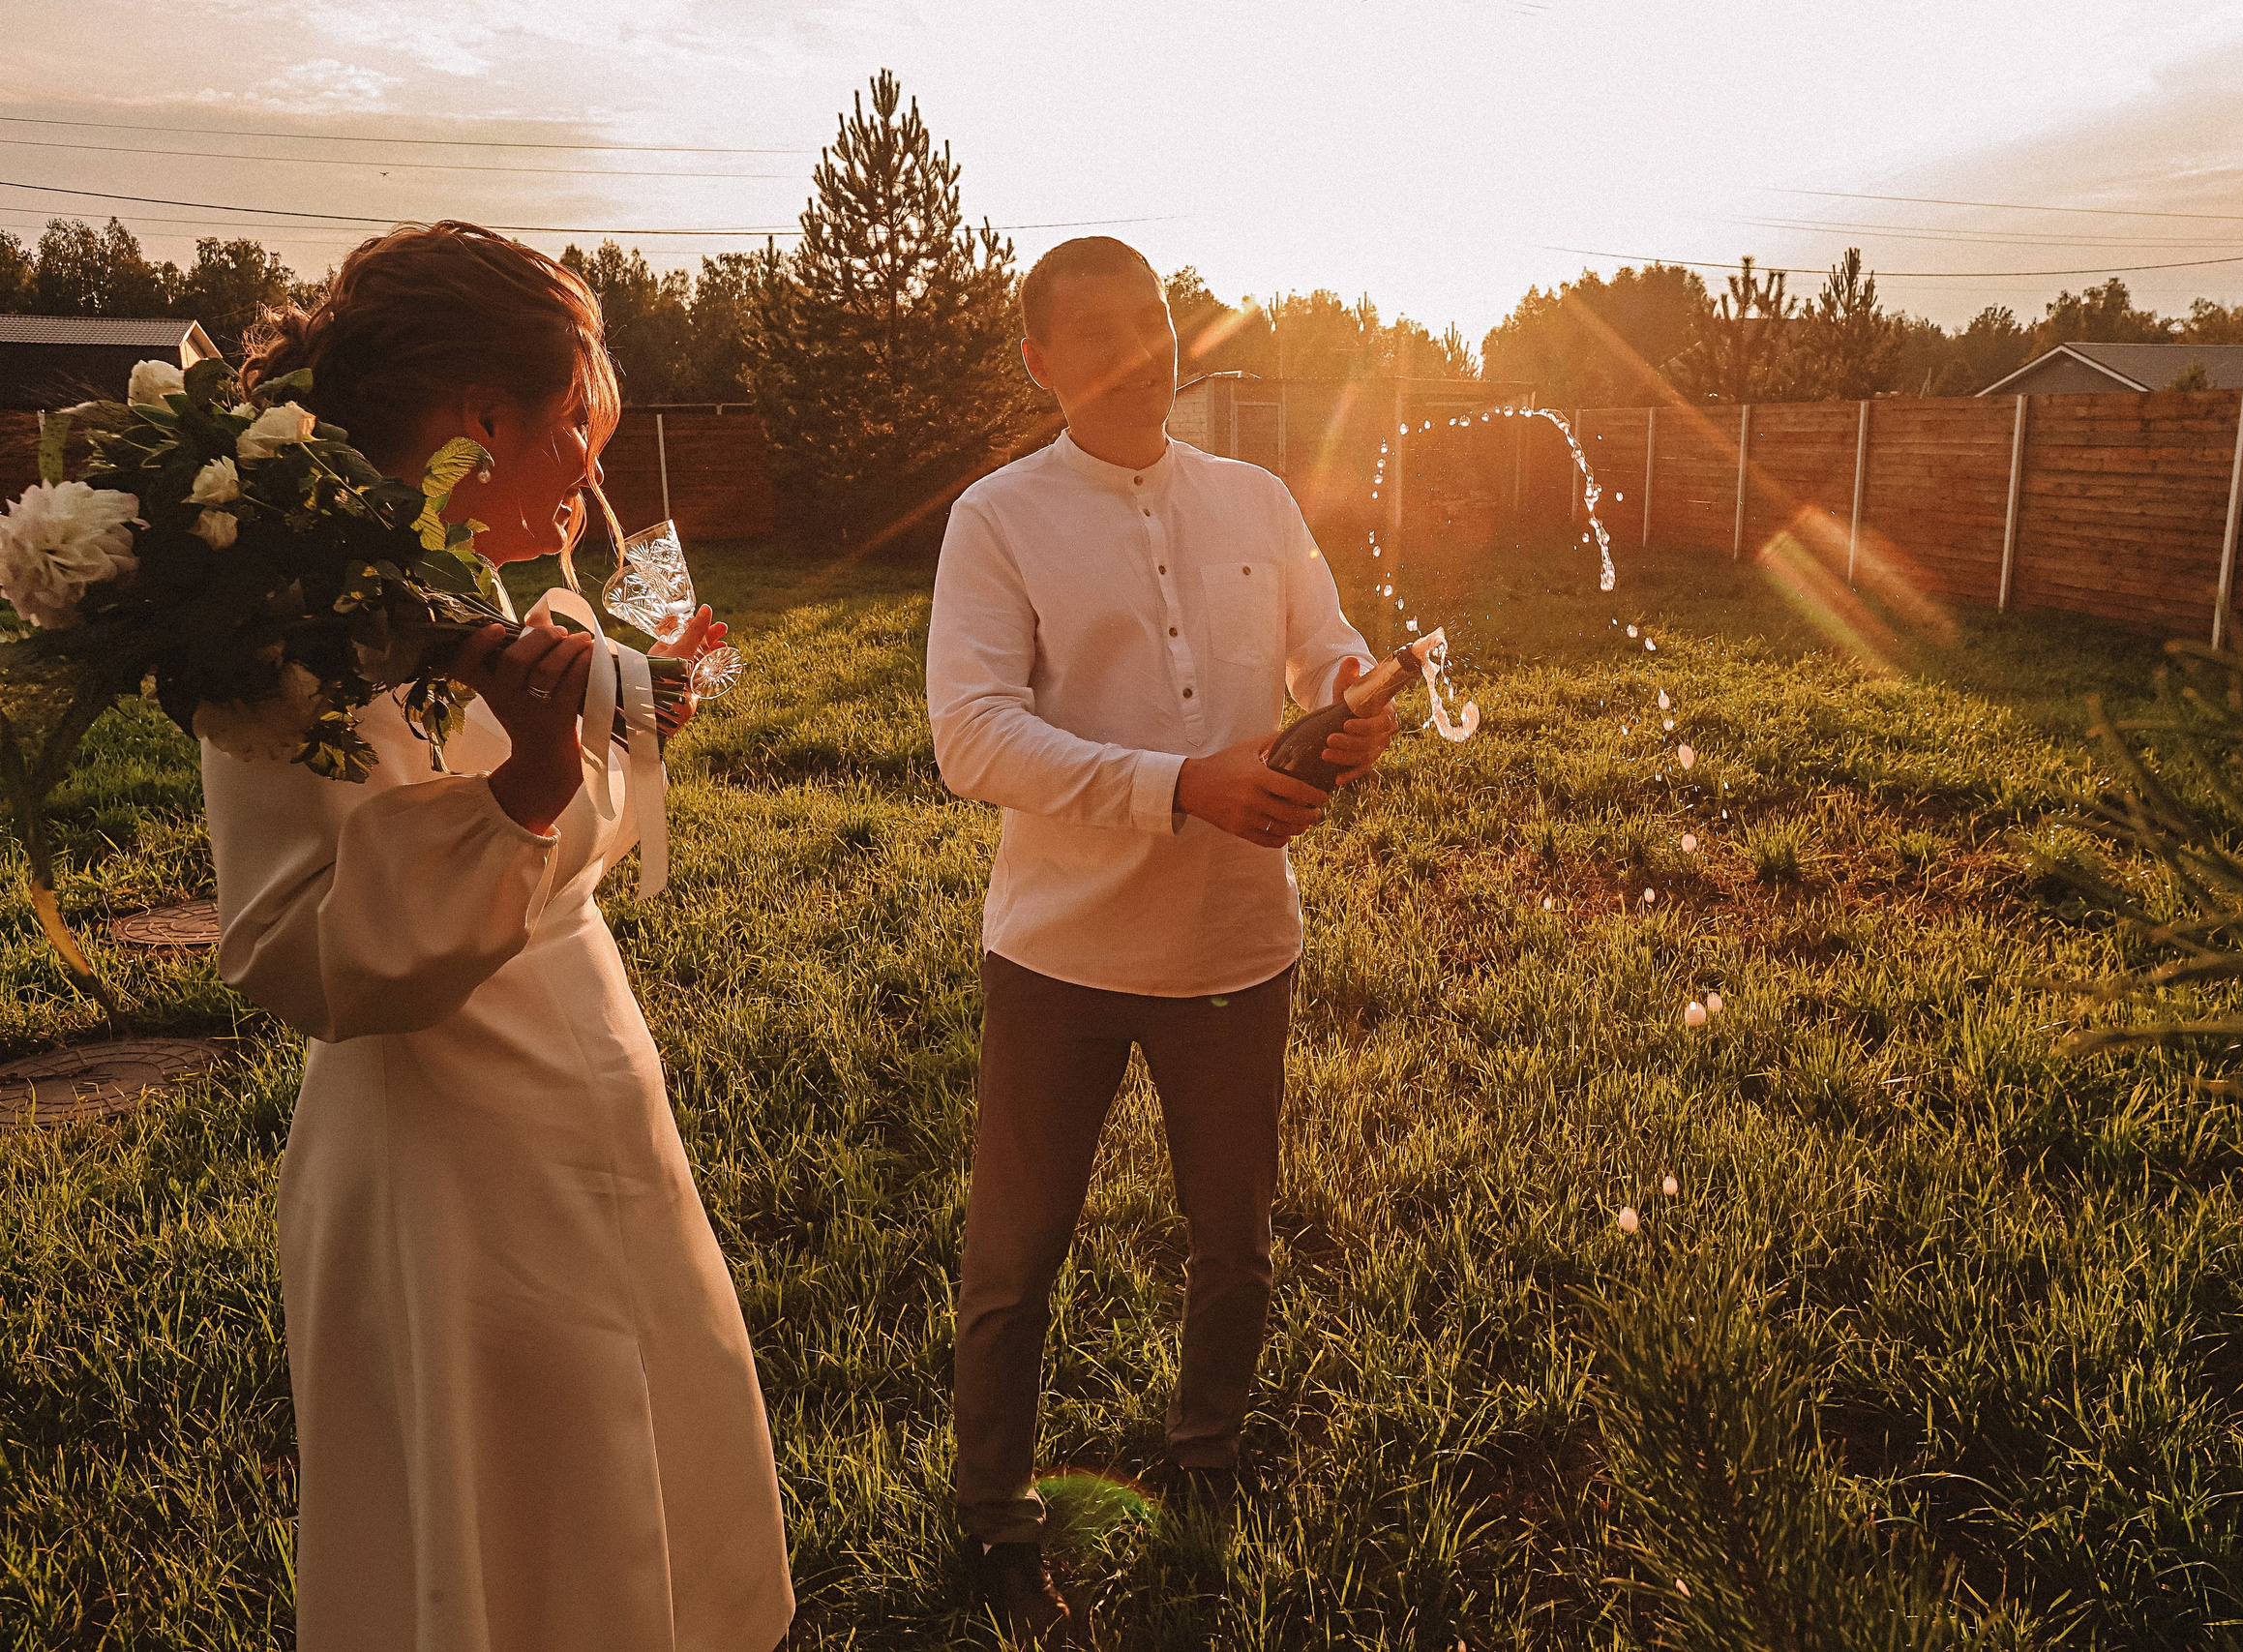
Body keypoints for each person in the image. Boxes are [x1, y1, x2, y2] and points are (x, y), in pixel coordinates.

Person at [205, 223, 794, 1651]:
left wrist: (636, 711)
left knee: (645, 1492)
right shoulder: (288, 635)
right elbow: (297, 949)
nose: (591, 467)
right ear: (484, 417)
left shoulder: (473, 583)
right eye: (577, 425)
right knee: (519, 1537)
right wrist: (527, 787)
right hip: (451, 1168)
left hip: (588, 1093)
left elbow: (566, 816)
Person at [925, 236, 1400, 1632]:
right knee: (1014, 1261)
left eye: (1156, 321)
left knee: (1234, 1241)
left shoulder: (1255, 497)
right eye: (1102, 335)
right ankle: (995, 1514)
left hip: (1238, 946)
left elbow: (1319, 645)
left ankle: (1205, 1460)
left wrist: (1353, 696)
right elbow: (971, 736)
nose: (1144, 353)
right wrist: (1181, 786)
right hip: (1058, 954)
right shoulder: (998, 518)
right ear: (1041, 364)